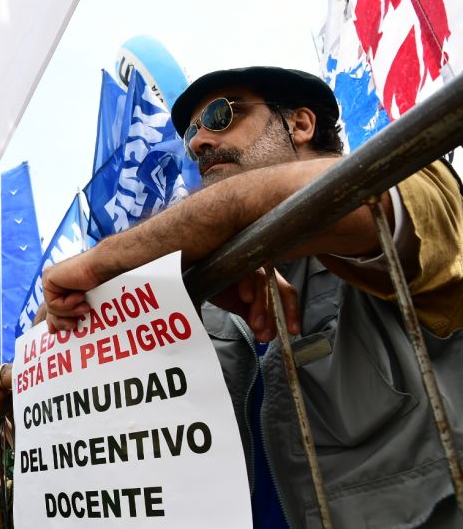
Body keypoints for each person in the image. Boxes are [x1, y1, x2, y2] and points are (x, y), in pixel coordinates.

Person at [34, 66, 463, 527]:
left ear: (300, 124)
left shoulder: (415, 175)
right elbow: (59, 320)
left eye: (221, 115)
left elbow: (351, 198)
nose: (198, 143)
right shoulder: (210, 290)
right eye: (191, 135)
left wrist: (109, 258)